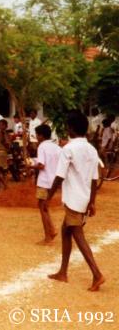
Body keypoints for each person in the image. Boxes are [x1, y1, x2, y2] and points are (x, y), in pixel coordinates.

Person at [47, 111, 105, 292]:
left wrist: (48, 197)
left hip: (73, 199)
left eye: (67, 126)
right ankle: (63, 272)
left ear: (71, 128)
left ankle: (97, 274)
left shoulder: (69, 149)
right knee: (66, 231)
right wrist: (92, 202)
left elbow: (59, 175)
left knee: (78, 236)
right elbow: (94, 179)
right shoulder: (92, 149)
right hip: (84, 198)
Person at [33, 124, 60, 245]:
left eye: (37, 135)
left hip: (44, 181)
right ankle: (52, 230)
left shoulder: (42, 146)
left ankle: (48, 236)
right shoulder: (56, 147)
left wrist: (31, 165)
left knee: (42, 207)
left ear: (41, 136)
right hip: (54, 181)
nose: (36, 137)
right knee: (44, 206)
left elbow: (41, 165)